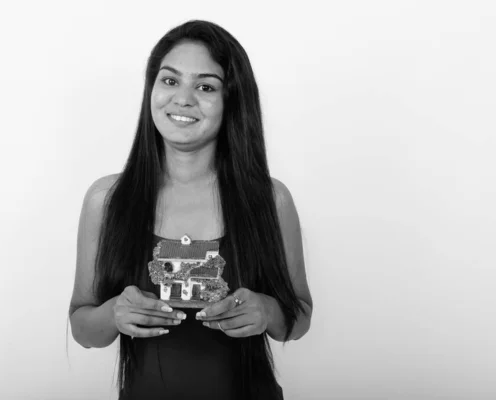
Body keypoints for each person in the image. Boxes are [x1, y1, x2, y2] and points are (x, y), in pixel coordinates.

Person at [68, 20, 313, 400]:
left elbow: (298, 318)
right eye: (169, 81)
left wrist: (267, 310)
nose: (182, 99)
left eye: (205, 86)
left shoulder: (270, 199)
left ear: (232, 99)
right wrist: (114, 311)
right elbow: (83, 329)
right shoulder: (106, 199)